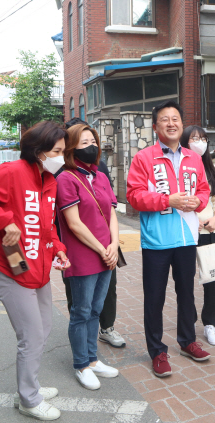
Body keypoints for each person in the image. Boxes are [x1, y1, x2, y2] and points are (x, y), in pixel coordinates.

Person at [0, 121, 71, 421]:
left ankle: (30, 386)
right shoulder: (12, 172)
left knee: (42, 330)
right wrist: (3, 220)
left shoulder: (51, 181)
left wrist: (58, 248)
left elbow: (46, 226)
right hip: (12, 271)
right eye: (57, 151)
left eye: (63, 151)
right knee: (31, 336)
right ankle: (28, 400)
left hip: (39, 271)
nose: (62, 157)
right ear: (38, 152)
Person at [126, 100, 212, 378]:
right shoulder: (143, 158)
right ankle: (157, 350)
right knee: (154, 297)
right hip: (157, 240)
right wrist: (167, 199)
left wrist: (197, 202)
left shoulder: (194, 158)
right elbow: (133, 196)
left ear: (182, 125)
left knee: (186, 293)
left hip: (187, 237)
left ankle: (187, 341)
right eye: (165, 119)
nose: (171, 123)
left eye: (176, 118)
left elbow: (204, 190)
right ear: (155, 126)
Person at [56, 124, 120, 390]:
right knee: (81, 312)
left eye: (92, 141)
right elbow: (74, 224)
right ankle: (81, 364)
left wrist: (115, 245)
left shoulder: (101, 176)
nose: (89, 146)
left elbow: (113, 214)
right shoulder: (66, 179)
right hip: (83, 255)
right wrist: (102, 247)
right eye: (82, 143)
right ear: (71, 148)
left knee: (96, 309)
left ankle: (93, 360)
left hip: (107, 254)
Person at [179, 125, 215, 346]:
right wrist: (192, 220)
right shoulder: (179, 166)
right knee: (185, 280)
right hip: (187, 231)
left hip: (209, 230)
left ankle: (210, 323)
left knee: (211, 278)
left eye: (203, 139)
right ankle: (188, 323)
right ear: (185, 141)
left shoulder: (210, 167)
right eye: (195, 138)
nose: (200, 142)